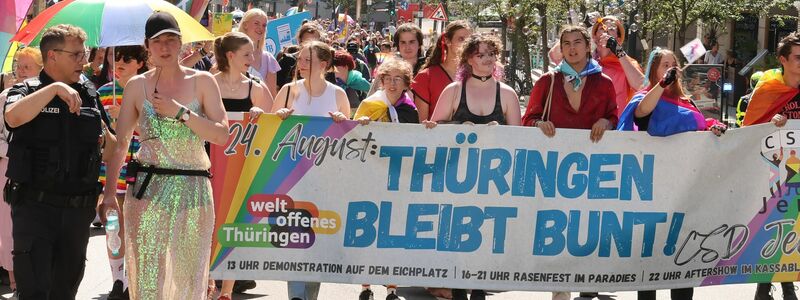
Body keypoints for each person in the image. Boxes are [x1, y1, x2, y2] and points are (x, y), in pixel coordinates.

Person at [101, 12, 229, 299]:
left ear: (181, 43)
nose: (165, 46)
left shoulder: (203, 81)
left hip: (193, 188)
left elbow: (222, 135)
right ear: (147, 45)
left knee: (189, 275)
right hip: (148, 188)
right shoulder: (136, 85)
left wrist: (181, 113)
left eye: (171, 39)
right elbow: (121, 144)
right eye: (158, 41)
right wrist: (109, 194)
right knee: (147, 275)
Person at [4, 24, 116, 299]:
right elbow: (13, 117)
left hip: (77, 212)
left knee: (65, 291)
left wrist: (103, 128)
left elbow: (110, 151)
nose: (84, 61)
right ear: (52, 55)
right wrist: (54, 89)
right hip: (35, 209)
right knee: (34, 290)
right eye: (76, 55)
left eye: (85, 53)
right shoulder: (27, 89)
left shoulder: (89, 93)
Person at [423, 34, 520, 300]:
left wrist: (501, 135)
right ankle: (456, 288)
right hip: (457, 181)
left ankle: (478, 290)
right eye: (481, 54)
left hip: (492, 184)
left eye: (491, 54)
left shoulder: (508, 94)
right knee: (457, 238)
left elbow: (520, 140)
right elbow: (433, 131)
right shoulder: (453, 91)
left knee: (486, 239)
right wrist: (456, 127)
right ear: (468, 58)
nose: (487, 59)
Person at [271, 41, 350, 300]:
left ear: (324, 65)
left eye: (308, 60)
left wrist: (341, 123)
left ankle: (309, 295)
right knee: (294, 237)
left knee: (316, 241)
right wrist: (278, 117)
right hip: (291, 177)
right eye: (301, 59)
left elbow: (350, 141)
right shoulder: (287, 90)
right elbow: (268, 131)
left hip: (325, 179)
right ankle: (295, 295)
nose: (300, 64)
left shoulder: (337, 95)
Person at [212, 31, 272, 300]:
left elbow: (273, 128)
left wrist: (260, 116)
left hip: (242, 168)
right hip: (209, 165)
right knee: (210, 224)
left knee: (234, 223)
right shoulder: (208, 84)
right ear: (231, 56)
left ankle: (227, 290)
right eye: (247, 54)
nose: (252, 58)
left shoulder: (256, 88)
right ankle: (208, 286)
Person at [742, 31, 800, 300]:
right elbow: (748, 130)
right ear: (783, 60)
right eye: (798, 57)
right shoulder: (768, 90)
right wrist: (769, 123)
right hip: (772, 173)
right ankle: (765, 287)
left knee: (795, 229)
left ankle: (787, 285)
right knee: (774, 229)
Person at [354, 58, 418, 300]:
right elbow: (353, 137)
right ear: (381, 81)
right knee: (367, 229)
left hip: (397, 175)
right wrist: (359, 125)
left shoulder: (409, 109)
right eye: (387, 78)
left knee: (392, 230)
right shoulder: (369, 105)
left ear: (406, 83)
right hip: (370, 174)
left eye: (397, 79)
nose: (392, 83)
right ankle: (365, 285)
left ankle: (392, 287)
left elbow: (414, 140)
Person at [96, 45, 149, 300]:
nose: (118, 63)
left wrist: (130, 122)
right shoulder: (102, 93)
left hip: (143, 174)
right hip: (111, 175)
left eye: (126, 59)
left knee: (139, 231)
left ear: (140, 62)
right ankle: (119, 281)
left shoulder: (150, 92)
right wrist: (110, 126)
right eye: (113, 57)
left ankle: (136, 282)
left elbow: (158, 135)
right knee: (114, 229)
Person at [0, 46, 42, 300]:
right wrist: (14, 151)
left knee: (35, 226)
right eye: (19, 65)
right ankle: (16, 284)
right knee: (9, 227)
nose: (21, 71)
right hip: (9, 168)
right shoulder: (5, 96)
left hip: (40, 171)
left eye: (28, 66)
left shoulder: (47, 95)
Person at [411, 20, 472, 121]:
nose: (466, 45)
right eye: (461, 39)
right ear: (447, 41)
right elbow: (421, 124)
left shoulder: (477, 75)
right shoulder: (426, 77)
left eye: (469, 40)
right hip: (437, 136)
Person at [591, 16, 645, 116]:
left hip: (617, 127)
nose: (606, 30)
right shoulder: (587, 62)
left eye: (611, 29)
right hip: (589, 126)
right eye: (602, 28)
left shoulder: (628, 63)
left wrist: (618, 51)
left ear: (619, 40)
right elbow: (554, 55)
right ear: (594, 37)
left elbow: (642, 86)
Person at [238, 8, 281, 98]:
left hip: (260, 109)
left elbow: (272, 95)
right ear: (245, 25)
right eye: (256, 23)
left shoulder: (268, 59)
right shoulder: (231, 53)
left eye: (264, 25)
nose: (260, 28)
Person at [276, 21, 324, 89]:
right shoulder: (286, 61)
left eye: (315, 41)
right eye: (307, 41)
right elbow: (276, 88)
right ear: (300, 41)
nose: (311, 45)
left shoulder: (323, 64)